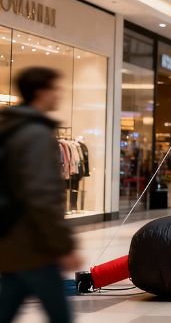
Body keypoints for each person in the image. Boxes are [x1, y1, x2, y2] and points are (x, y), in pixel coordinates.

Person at [0, 67, 82, 323]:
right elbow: (42, 196)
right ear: (40, 92)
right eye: (55, 89)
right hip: (33, 244)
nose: (58, 95)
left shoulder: (11, 128)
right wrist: (64, 246)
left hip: (11, 238)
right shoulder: (35, 135)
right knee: (60, 315)